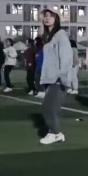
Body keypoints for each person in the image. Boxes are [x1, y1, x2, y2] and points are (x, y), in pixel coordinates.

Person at [38, 9, 73, 145]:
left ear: (56, 18)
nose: (47, 18)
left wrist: (63, 78)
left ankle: (55, 133)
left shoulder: (61, 35)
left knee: (48, 107)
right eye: (45, 16)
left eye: (50, 16)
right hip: (49, 78)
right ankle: (54, 132)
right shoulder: (49, 37)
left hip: (57, 78)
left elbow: (66, 57)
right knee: (52, 108)